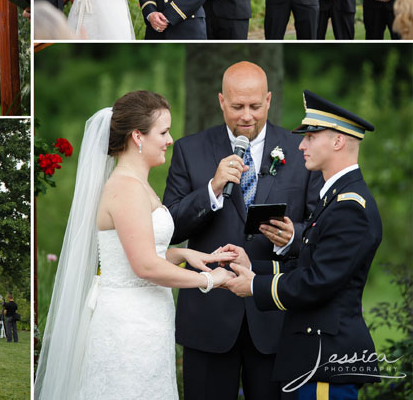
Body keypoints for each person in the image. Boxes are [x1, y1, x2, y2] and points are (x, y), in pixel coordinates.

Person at [35, 91, 236, 400]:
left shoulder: (139, 184)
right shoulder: (126, 188)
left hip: (147, 321)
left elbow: (139, 252)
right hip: (127, 327)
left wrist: (183, 254)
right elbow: (143, 266)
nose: (170, 140)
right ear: (137, 137)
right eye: (164, 132)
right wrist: (210, 280)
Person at [162, 62, 322, 400]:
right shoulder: (189, 150)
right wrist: (212, 188)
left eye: (254, 106)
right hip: (209, 315)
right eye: (236, 107)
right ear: (221, 101)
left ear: (268, 100)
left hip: (275, 314)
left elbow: (321, 226)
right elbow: (170, 229)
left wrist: (293, 237)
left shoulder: (300, 150)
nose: (246, 116)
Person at [226, 90, 381, 399]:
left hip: (326, 357)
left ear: (337, 142)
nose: (301, 145)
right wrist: (250, 266)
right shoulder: (335, 197)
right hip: (313, 355)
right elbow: (309, 264)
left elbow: (319, 282)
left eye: (310, 136)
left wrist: (255, 286)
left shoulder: (349, 205)